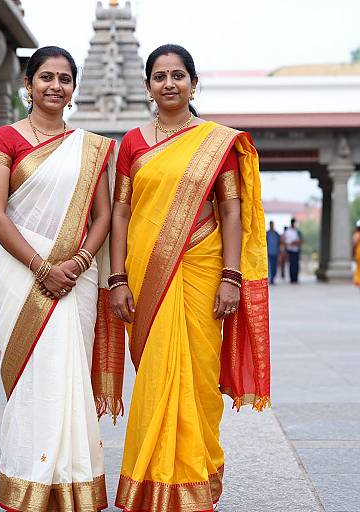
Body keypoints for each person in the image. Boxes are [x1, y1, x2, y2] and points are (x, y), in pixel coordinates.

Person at [109, 44, 270, 512]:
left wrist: (232, 276)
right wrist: (117, 277)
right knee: (157, 374)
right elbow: (121, 212)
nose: (169, 84)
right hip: (145, 272)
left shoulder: (218, 142)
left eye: (178, 75)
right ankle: (151, 483)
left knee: (197, 376)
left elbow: (231, 211)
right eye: (159, 77)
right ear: (147, 87)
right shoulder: (133, 143)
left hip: (203, 267)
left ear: (194, 84)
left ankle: (194, 479)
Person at [0, 46, 124, 512]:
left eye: (64, 78)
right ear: (28, 83)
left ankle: (75, 482)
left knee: (69, 380)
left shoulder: (90, 147)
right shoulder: (6, 139)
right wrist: (44, 268)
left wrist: (80, 262)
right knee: (34, 379)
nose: (55, 86)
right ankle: (29, 480)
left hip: (75, 280)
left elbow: (103, 215)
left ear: (74, 88)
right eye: (46, 77)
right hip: (26, 279)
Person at [285, 217, 303, 283]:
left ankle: (295, 278)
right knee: (291, 265)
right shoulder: (288, 232)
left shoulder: (297, 231)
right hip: (290, 250)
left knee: (296, 265)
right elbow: (285, 241)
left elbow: (301, 240)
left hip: (296, 250)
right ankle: (292, 278)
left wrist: (296, 242)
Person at [353, 220, 360, 287]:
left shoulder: (356, 234)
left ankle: (358, 280)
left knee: (358, 267)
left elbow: (354, 243)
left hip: (358, 251)